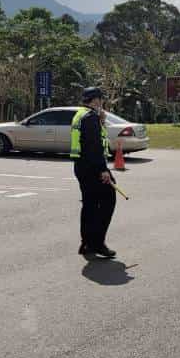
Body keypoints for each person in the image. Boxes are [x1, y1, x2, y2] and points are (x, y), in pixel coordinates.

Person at [70, 87, 117, 258]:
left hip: (82, 166)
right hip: (93, 167)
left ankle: (87, 243)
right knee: (108, 199)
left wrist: (101, 121)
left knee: (89, 205)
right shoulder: (90, 117)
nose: (102, 102)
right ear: (95, 100)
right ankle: (97, 243)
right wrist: (103, 170)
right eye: (100, 99)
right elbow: (94, 146)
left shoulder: (80, 114)